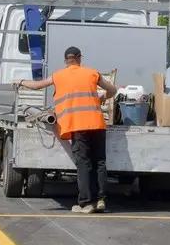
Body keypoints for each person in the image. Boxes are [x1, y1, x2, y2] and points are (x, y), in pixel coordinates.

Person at [13, 46, 116, 213]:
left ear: (65, 61)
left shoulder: (59, 75)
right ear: (80, 58)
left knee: (83, 163)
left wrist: (21, 82)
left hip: (78, 125)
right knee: (99, 162)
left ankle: (86, 203)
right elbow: (112, 90)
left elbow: (38, 85)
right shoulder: (92, 73)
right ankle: (100, 200)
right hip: (97, 124)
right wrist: (103, 97)